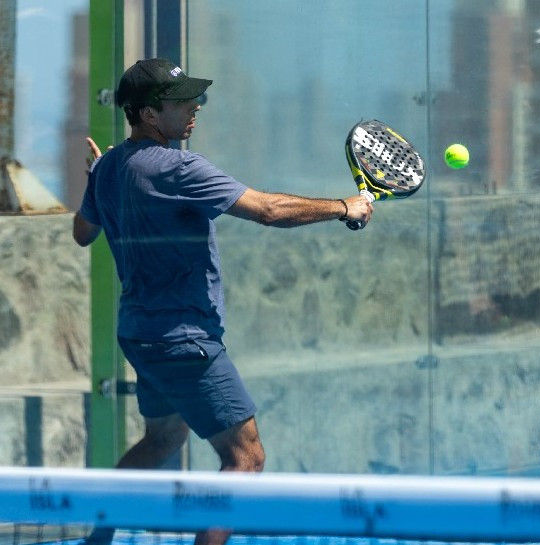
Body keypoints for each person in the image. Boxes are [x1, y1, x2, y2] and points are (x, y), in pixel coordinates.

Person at [73, 58, 373, 544]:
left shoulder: (108, 167)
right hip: (186, 342)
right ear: (148, 114)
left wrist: (98, 178)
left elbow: (82, 233)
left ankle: (97, 540)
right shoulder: (178, 167)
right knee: (246, 459)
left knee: (162, 439)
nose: (195, 106)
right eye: (182, 101)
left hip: (140, 336)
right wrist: (344, 206)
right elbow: (269, 211)